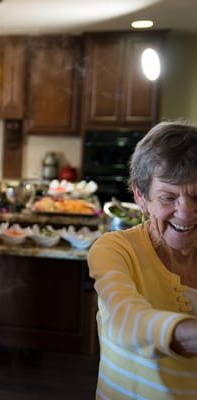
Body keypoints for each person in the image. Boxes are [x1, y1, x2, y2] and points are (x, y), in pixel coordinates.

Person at [87, 121, 197, 398]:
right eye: (168, 198)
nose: (186, 214)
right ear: (140, 196)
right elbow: (128, 320)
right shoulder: (114, 250)